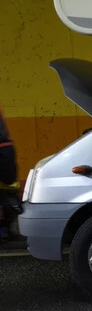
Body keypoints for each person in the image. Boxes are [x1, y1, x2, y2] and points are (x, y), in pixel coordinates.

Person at [0, 104, 22, 242]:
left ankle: (4, 230)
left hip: (4, 150)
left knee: (7, 192)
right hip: (6, 150)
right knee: (9, 190)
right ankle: (7, 229)